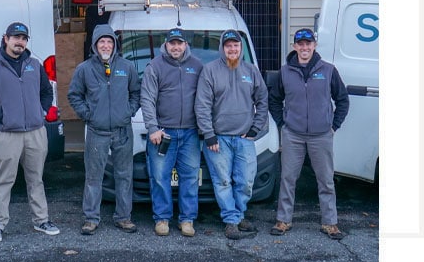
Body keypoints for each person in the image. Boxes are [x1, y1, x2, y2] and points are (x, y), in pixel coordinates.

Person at [0, 22, 60, 242]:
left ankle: (41, 220)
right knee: (4, 180)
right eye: (16, 37)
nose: (19, 42)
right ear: (6, 39)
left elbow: (46, 91)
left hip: (35, 132)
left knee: (36, 179)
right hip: (6, 134)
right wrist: (3, 117)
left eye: (23, 38)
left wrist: (40, 110)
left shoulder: (35, 65)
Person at [268, 28, 349, 240]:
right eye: (300, 44)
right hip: (293, 134)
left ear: (314, 45)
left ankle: (330, 223)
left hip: (321, 135)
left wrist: (334, 125)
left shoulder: (329, 70)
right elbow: (274, 99)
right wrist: (282, 123)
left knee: (326, 180)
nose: (304, 48)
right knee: (288, 178)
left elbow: (342, 100)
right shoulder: (285, 72)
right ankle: (283, 220)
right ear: (294, 47)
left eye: (308, 44)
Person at [194, 29, 268, 240]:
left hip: (245, 138)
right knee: (223, 181)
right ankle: (231, 221)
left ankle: (238, 214)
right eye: (228, 46)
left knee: (245, 181)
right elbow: (202, 105)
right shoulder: (210, 71)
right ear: (222, 48)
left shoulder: (251, 70)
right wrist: (209, 135)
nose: (232, 49)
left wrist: (255, 128)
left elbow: (263, 100)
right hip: (219, 140)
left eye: (236, 45)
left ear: (240, 48)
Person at [68, 24, 141, 235]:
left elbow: (136, 92)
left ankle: (124, 217)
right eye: (102, 42)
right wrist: (88, 114)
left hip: (122, 131)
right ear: (95, 45)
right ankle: (91, 218)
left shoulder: (126, 67)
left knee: (124, 175)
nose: (106, 45)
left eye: (109, 41)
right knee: (93, 177)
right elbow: (74, 95)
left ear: (115, 44)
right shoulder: (84, 69)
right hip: (97, 132)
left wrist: (128, 111)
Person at [140, 28, 203, 237]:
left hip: (190, 133)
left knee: (191, 177)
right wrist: (153, 127)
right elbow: (147, 99)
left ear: (186, 44)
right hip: (163, 134)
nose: (176, 47)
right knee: (159, 177)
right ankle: (162, 218)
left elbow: (207, 97)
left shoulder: (197, 66)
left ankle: (187, 220)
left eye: (180, 43)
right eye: (172, 43)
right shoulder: (155, 66)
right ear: (165, 45)